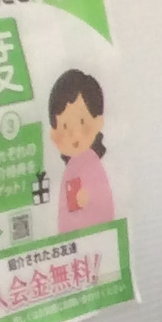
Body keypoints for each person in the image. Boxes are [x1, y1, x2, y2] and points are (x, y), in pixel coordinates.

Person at [46, 69, 112, 234]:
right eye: (64, 126)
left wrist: (87, 198)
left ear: (97, 122)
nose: (74, 134)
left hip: (92, 233)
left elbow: (103, 200)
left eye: (82, 122)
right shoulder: (73, 166)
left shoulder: (90, 162)